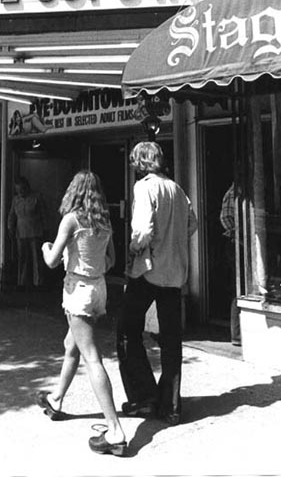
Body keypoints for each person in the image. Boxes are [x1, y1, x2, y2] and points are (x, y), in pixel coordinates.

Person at [39, 170, 128, 457]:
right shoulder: (104, 221)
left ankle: (114, 430)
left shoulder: (71, 220)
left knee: (91, 356)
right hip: (99, 288)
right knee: (71, 346)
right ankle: (56, 399)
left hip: (77, 288)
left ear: (73, 192)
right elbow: (112, 259)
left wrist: (46, 248)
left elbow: (52, 262)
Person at [116, 141, 198, 426]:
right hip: (174, 273)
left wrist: (134, 250)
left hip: (149, 270)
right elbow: (192, 224)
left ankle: (144, 397)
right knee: (172, 339)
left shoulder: (144, 187)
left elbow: (141, 230)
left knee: (127, 330)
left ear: (140, 163)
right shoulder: (177, 189)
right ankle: (171, 404)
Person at [8, 176, 46, 289]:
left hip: (35, 230)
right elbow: (11, 215)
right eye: (18, 190)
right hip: (21, 231)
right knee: (22, 257)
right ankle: (22, 282)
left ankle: (38, 282)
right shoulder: (15, 200)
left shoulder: (36, 197)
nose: (20, 192)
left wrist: (45, 228)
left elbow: (44, 214)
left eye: (22, 189)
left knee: (36, 257)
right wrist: (10, 228)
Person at [220, 182, 242, 346]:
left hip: (239, 242)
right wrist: (238, 233)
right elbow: (225, 217)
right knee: (239, 288)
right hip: (236, 243)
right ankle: (237, 334)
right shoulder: (234, 191)